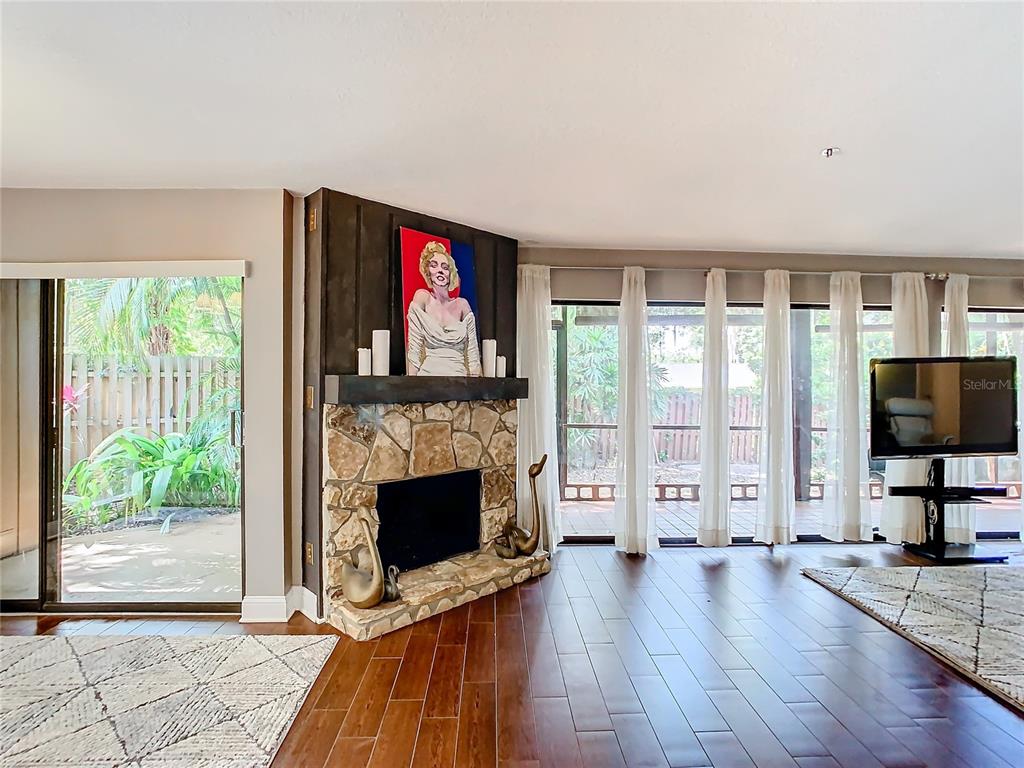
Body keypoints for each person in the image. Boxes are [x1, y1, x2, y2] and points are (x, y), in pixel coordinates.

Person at [406, 241, 482, 376]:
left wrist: (475, 391)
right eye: (434, 265)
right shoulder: (422, 298)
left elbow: (473, 355)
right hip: (428, 379)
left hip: (459, 380)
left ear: (450, 273)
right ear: (428, 271)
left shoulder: (462, 305)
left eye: (445, 267)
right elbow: (414, 350)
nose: (440, 270)